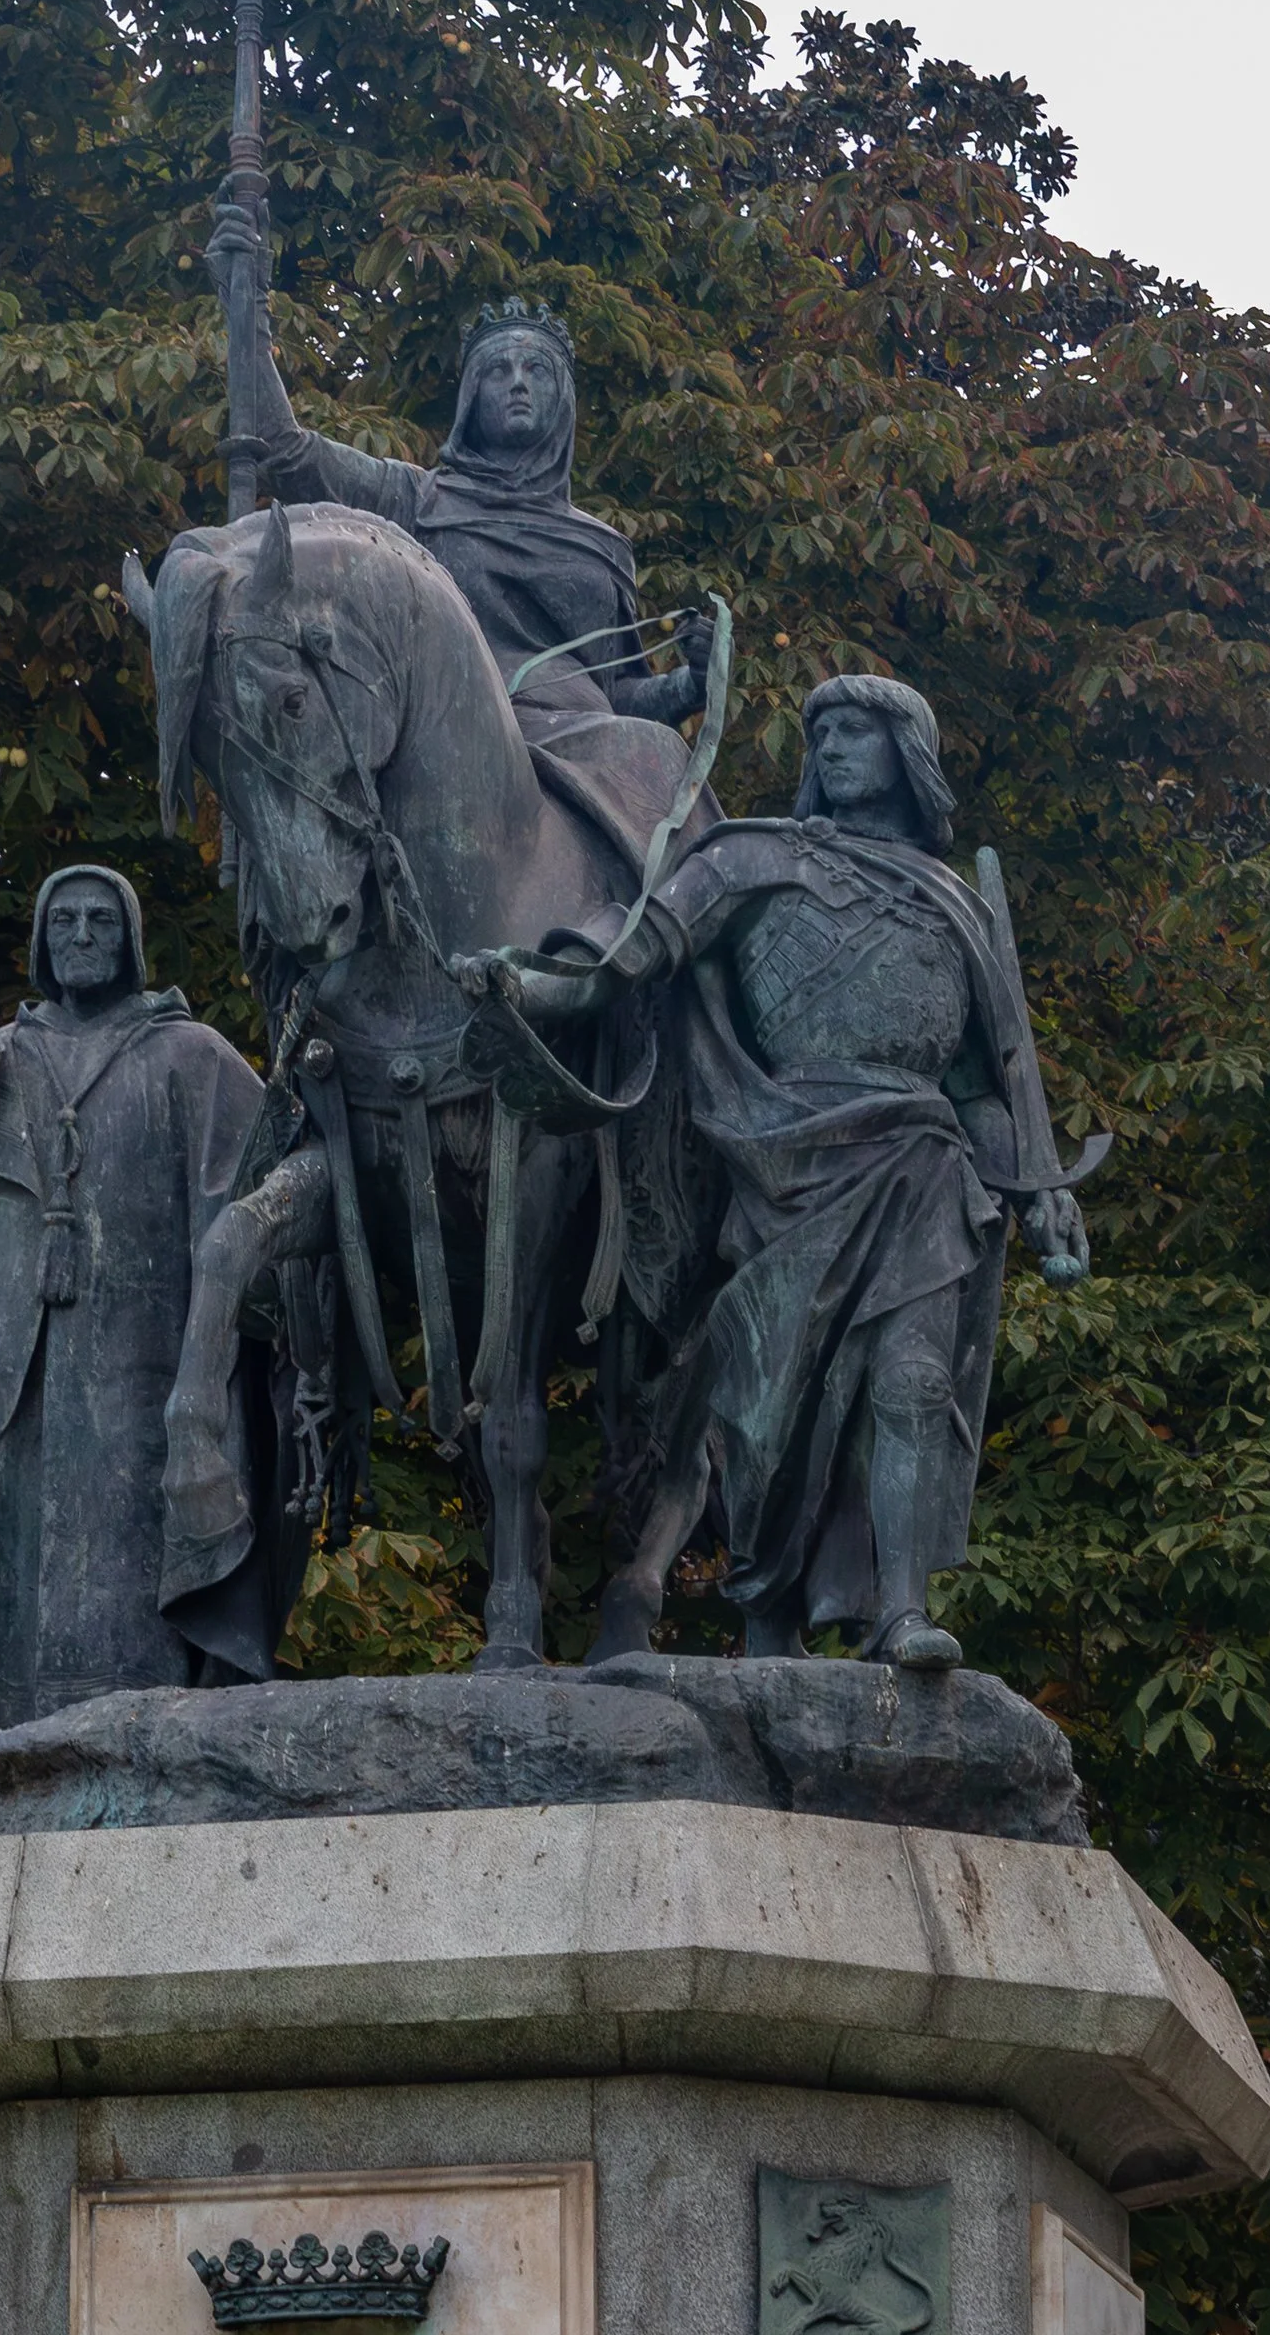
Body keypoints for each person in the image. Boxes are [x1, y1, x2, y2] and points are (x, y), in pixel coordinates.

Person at [464, 673, 1095, 1669]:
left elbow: (986, 1081)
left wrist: (1039, 1192)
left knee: (913, 1383)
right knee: (765, 1410)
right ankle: (769, 1617)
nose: (834, 749)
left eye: (857, 733)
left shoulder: (952, 905)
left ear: (906, 753)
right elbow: (633, 951)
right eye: (824, 734)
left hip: (920, 1162)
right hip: (781, 1160)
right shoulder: (751, 859)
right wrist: (531, 987)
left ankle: (899, 1611)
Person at [205, 211, 715, 879]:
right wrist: (247, 310)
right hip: (446, 741)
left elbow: (617, 691)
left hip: (592, 743)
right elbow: (284, 448)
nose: (518, 383)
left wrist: (693, 681)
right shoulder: (418, 500)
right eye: (498, 371)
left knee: (673, 786)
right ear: (472, 394)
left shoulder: (602, 546)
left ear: (563, 397)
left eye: (537, 369)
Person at [0, 867, 283, 1733]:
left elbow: (266, 1210)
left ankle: (130, 1740)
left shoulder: (194, 1057)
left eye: (99, 919)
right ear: (39, 941)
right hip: (4, 1372)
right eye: (61, 919)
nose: (79, 933)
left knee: (119, 1554)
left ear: (131, 939)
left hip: (136, 1374)